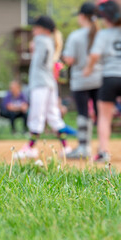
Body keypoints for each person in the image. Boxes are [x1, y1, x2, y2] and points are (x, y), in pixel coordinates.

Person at [16, 16, 71, 159]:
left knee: (36, 115)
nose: (33, 30)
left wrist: (33, 49)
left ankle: (29, 147)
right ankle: (66, 147)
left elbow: (39, 63)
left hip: (40, 83)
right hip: (49, 83)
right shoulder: (50, 42)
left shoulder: (40, 40)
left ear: (44, 29)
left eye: (36, 27)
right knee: (53, 116)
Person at [63, 2, 102, 159]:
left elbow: (69, 59)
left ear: (82, 16)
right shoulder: (102, 34)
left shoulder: (75, 36)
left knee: (83, 114)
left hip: (80, 81)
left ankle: (83, 147)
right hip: (99, 80)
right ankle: (102, 148)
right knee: (101, 116)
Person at [84, 0, 121, 162]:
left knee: (104, 117)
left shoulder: (104, 34)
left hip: (110, 77)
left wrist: (89, 68)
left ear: (106, 19)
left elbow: (94, 55)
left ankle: (103, 152)